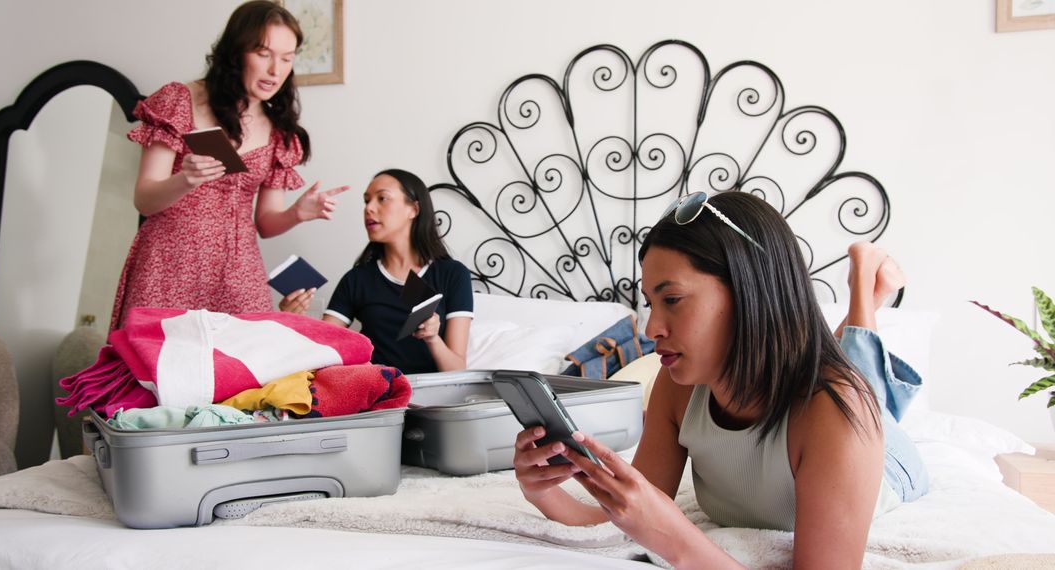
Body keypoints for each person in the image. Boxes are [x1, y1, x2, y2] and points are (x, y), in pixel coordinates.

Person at [512, 191, 929, 569]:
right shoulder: (676, 385)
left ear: (751, 291)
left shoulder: (838, 411)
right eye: (651, 304)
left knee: (856, 379)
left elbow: (663, 530)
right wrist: (541, 490)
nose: (651, 328)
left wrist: (674, 539)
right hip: (811, 400)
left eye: (672, 299)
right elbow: (625, 516)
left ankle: (864, 290)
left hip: (890, 466)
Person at [110, 0, 347, 330]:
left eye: (287, 58)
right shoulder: (180, 100)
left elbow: (265, 222)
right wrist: (185, 179)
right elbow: (145, 199)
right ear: (237, 52)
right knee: (157, 367)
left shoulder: (280, 131)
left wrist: (297, 213)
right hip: (169, 261)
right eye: (263, 54)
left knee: (245, 372)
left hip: (238, 270)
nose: (275, 70)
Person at [280, 169, 473, 374]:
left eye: (382, 198)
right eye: (366, 201)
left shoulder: (452, 274)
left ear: (414, 209)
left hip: (430, 395)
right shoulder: (357, 279)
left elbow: (457, 370)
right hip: (374, 391)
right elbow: (323, 348)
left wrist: (433, 338)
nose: (369, 208)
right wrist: (293, 320)